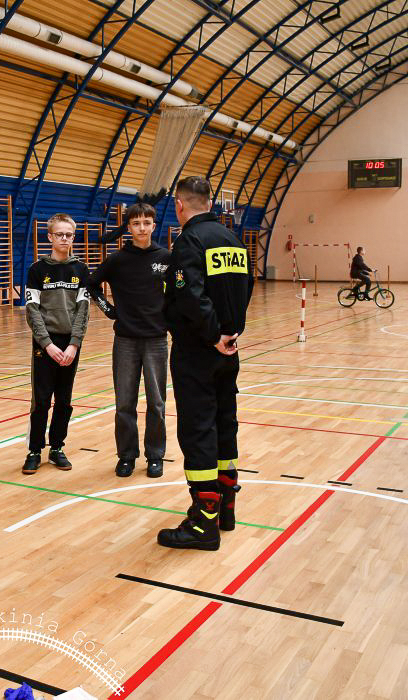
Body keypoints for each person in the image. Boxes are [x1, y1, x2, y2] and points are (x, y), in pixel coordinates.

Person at [157, 177, 252, 551]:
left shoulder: (189, 242)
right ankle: (226, 508)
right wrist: (230, 333)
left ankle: (203, 523)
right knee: (225, 424)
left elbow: (190, 297)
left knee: (198, 430)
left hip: (198, 351)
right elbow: (245, 288)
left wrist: (213, 335)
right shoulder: (233, 241)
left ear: (179, 205)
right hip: (229, 350)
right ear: (210, 203)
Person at [87, 202, 171, 479]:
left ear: (154, 225)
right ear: (129, 227)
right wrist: (109, 310)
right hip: (125, 341)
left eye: (146, 223)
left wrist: (170, 318)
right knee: (125, 403)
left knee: (156, 403)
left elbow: (178, 292)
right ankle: (126, 456)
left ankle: (155, 456)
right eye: (136, 223)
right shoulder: (117, 260)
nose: (142, 228)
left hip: (156, 340)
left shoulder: (166, 258)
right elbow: (91, 285)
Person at [21, 213, 90, 474]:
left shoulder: (80, 270)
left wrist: (74, 344)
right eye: (59, 234)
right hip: (45, 344)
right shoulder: (37, 270)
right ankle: (34, 450)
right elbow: (32, 311)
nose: (64, 239)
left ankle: (57, 448)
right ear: (50, 237)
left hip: (70, 344)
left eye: (69, 235)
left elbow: (83, 311)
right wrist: (47, 344)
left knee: (64, 400)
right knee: (41, 400)